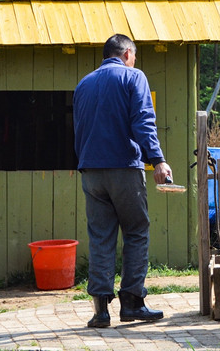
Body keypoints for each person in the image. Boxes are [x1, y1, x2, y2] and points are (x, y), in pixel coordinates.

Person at [73, 33, 172, 328]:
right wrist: (157, 160)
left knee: (100, 237)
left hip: (91, 171)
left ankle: (100, 311)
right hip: (124, 169)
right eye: (135, 57)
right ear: (127, 53)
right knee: (136, 231)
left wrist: (86, 163)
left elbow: (78, 129)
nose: (135, 62)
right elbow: (143, 120)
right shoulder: (133, 77)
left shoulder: (83, 84)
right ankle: (132, 302)